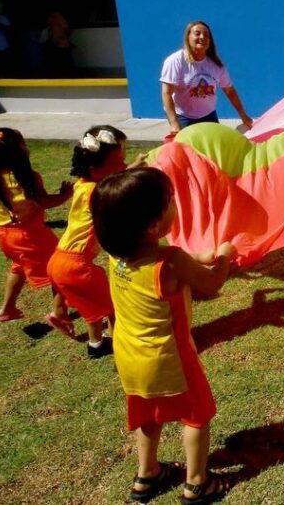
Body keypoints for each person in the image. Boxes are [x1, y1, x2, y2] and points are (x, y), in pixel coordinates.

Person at [91, 167, 236, 503]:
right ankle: (197, 483)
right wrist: (226, 256)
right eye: (170, 201)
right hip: (169, 356)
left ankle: (147, 474)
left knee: (147, 415)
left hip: (129, 356)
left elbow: (183, 262)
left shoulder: (118, 254)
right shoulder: (169, 261)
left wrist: (199, 257)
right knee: (197, 415)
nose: (175, 204)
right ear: (153, 226)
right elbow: (211, 283)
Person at [0, 128, 74, 326]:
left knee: (19, 266)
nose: (27, 147)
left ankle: (7, 308)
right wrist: (65, 195)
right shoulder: (27, 177)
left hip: (5, 235)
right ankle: (59, 312)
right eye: (23, 144)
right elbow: (43, 202)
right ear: (15, 153)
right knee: (58, 267)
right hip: (29, 234)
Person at [46, 126, 129, 358]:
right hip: (76, 264)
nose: (123, 166)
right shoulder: (97, 192)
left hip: (59, 259)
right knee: (112, 307)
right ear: (95, 169)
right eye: (118, 162)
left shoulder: (83, 184)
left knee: (92, 306)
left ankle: (96, 345)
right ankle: (122, 347)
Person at [160, 21, 253, 137]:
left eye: (206, 35)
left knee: (212, 149)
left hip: (208, 115)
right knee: (189, 150)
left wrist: (243, 114)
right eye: (197, 33)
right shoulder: (176, 61)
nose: (202, 37)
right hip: (183, 117)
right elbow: (167, 93)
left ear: (210, 41)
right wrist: (174, 122)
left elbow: (230, 91)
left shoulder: (216, 65)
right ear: (188, 37)